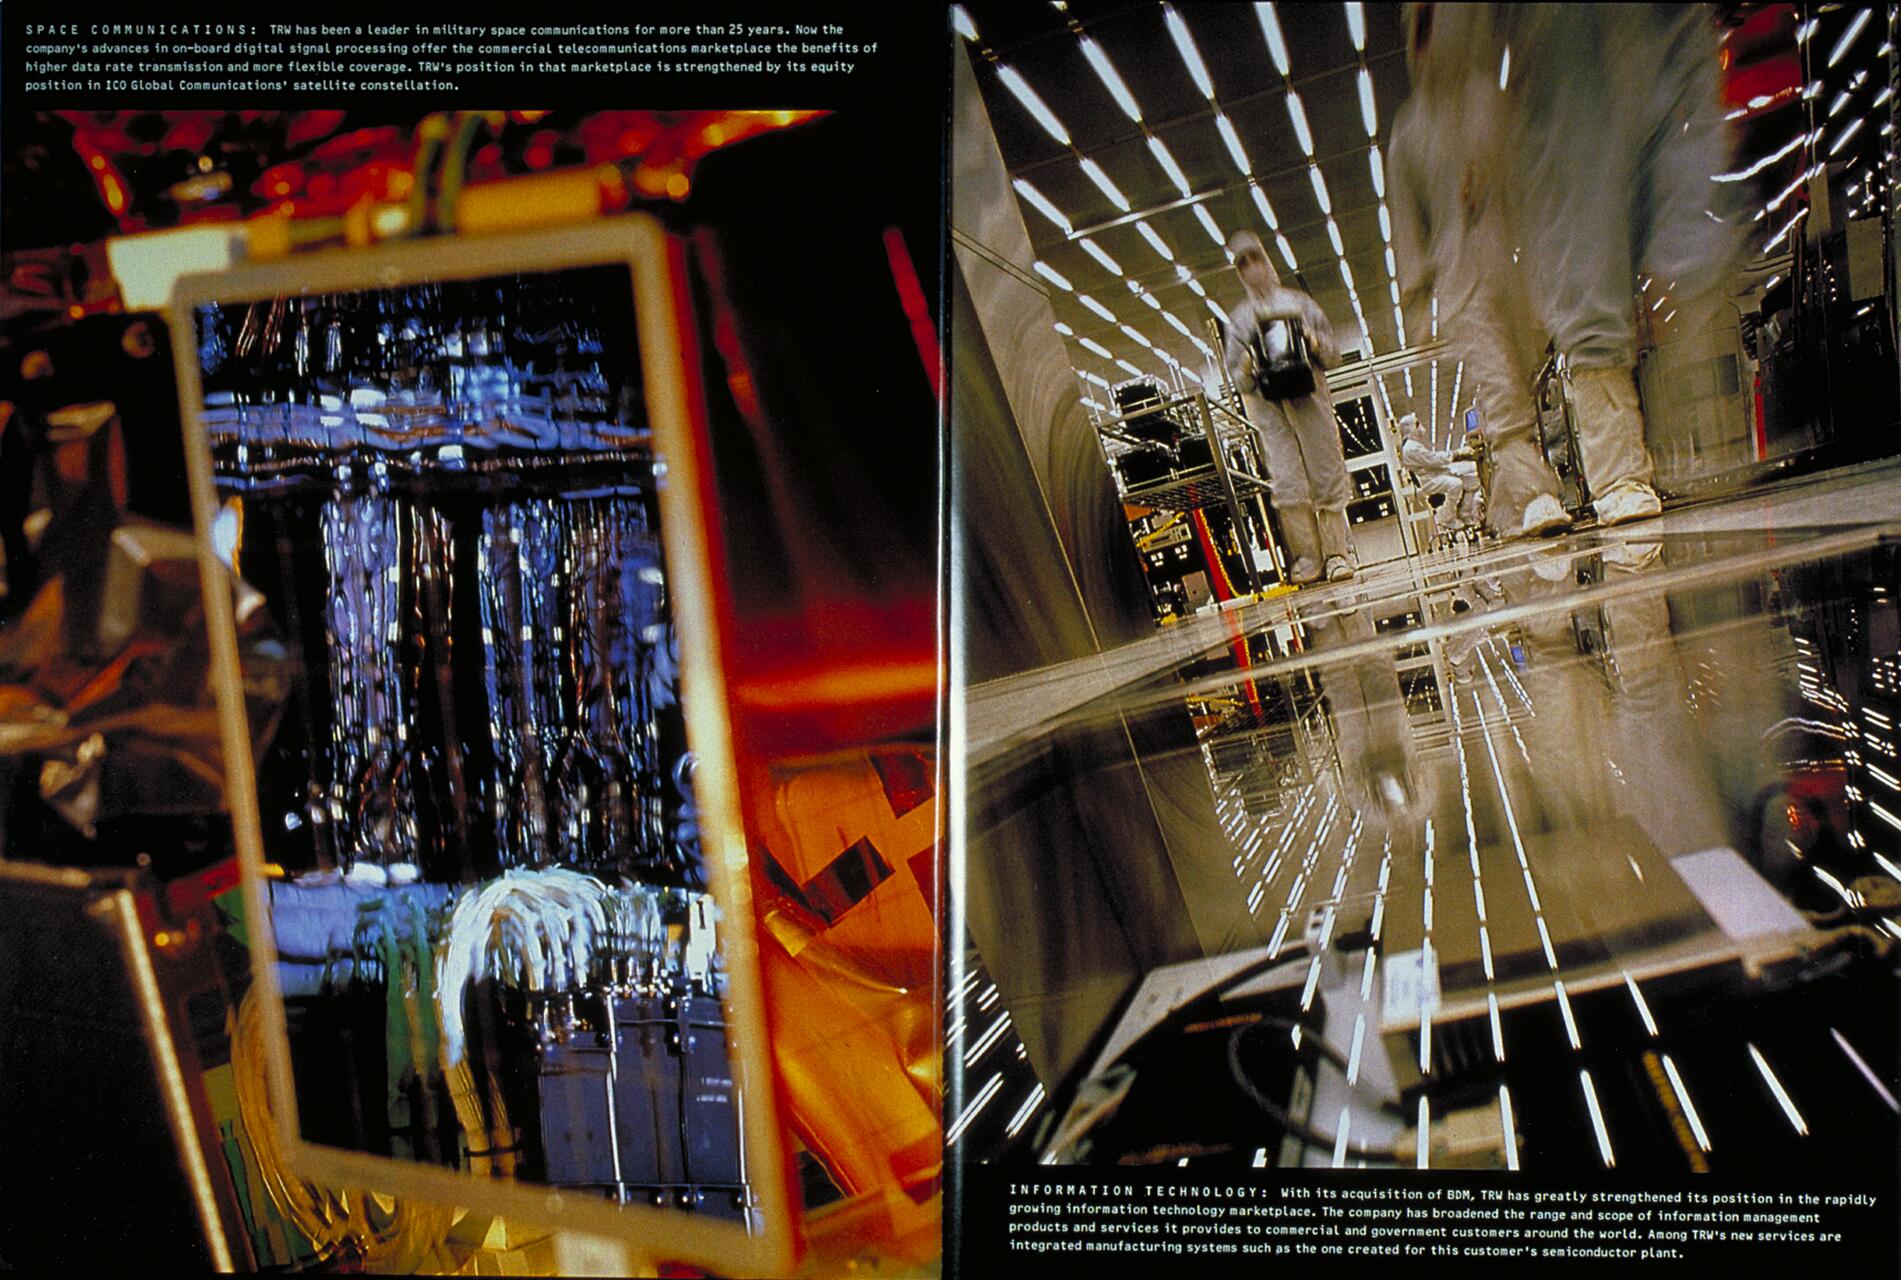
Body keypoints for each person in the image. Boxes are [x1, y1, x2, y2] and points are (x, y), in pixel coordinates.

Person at [1495, 4, 1742, 526]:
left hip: (1664, 37)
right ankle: (1623, 472)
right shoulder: (1558, 35)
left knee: (1687, 231)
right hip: (1582, 59)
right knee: (1593, 282)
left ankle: (1704, 440)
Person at [1388, 3, 1571, 539]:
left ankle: (1509, 507)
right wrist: (1418, 303)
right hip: (1458, 276)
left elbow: (1534, 183)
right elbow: (1406, 226)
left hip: (1516, 266)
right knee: (1498, 388)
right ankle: (1536, 494)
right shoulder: (1408, 132)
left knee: (1525, 380)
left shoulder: (1490, 103)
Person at [1222, 230, 1355, 584]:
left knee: (1326, 475)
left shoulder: (1301, 305)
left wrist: (1310, 341)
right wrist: (1251, 363)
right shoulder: (1239, 321)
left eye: (1255, 258)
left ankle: (1336, 555)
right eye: (1242, 263)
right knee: (1289, 483)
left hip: (1310, 405)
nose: (1252, 268)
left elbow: (1333, 354)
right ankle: (1308, 559)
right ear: (1237, 272)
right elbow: (1237, 380)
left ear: (1267, 259)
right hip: (1270, 412)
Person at [1397, 411, 1482, 534]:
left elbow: (1431, 459)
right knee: (1456, 484)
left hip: (1436, 475)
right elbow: (1433, 459)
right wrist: (1457, 453)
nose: (1420, 427)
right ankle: (1446, 517)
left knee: (1474, 483)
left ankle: (1464, 514)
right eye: (1416, 424)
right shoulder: (1411, 448)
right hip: (1430, 481)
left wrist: (1457, 455)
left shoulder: (1414, 445)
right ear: (1409, 428)